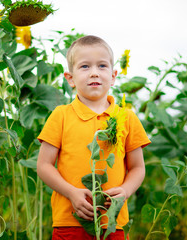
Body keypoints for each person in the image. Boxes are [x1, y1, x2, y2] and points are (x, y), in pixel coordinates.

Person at [37, 35, 151, 240]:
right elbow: (44, 165)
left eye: (102, 66)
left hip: (112, 223)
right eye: (84, 67)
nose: (94, 73)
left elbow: (138, 168)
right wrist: (71, 193)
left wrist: (125, 191)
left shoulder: (127, 117)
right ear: (69, 78)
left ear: (114, 75)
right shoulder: (61, 115)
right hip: (70, 220)